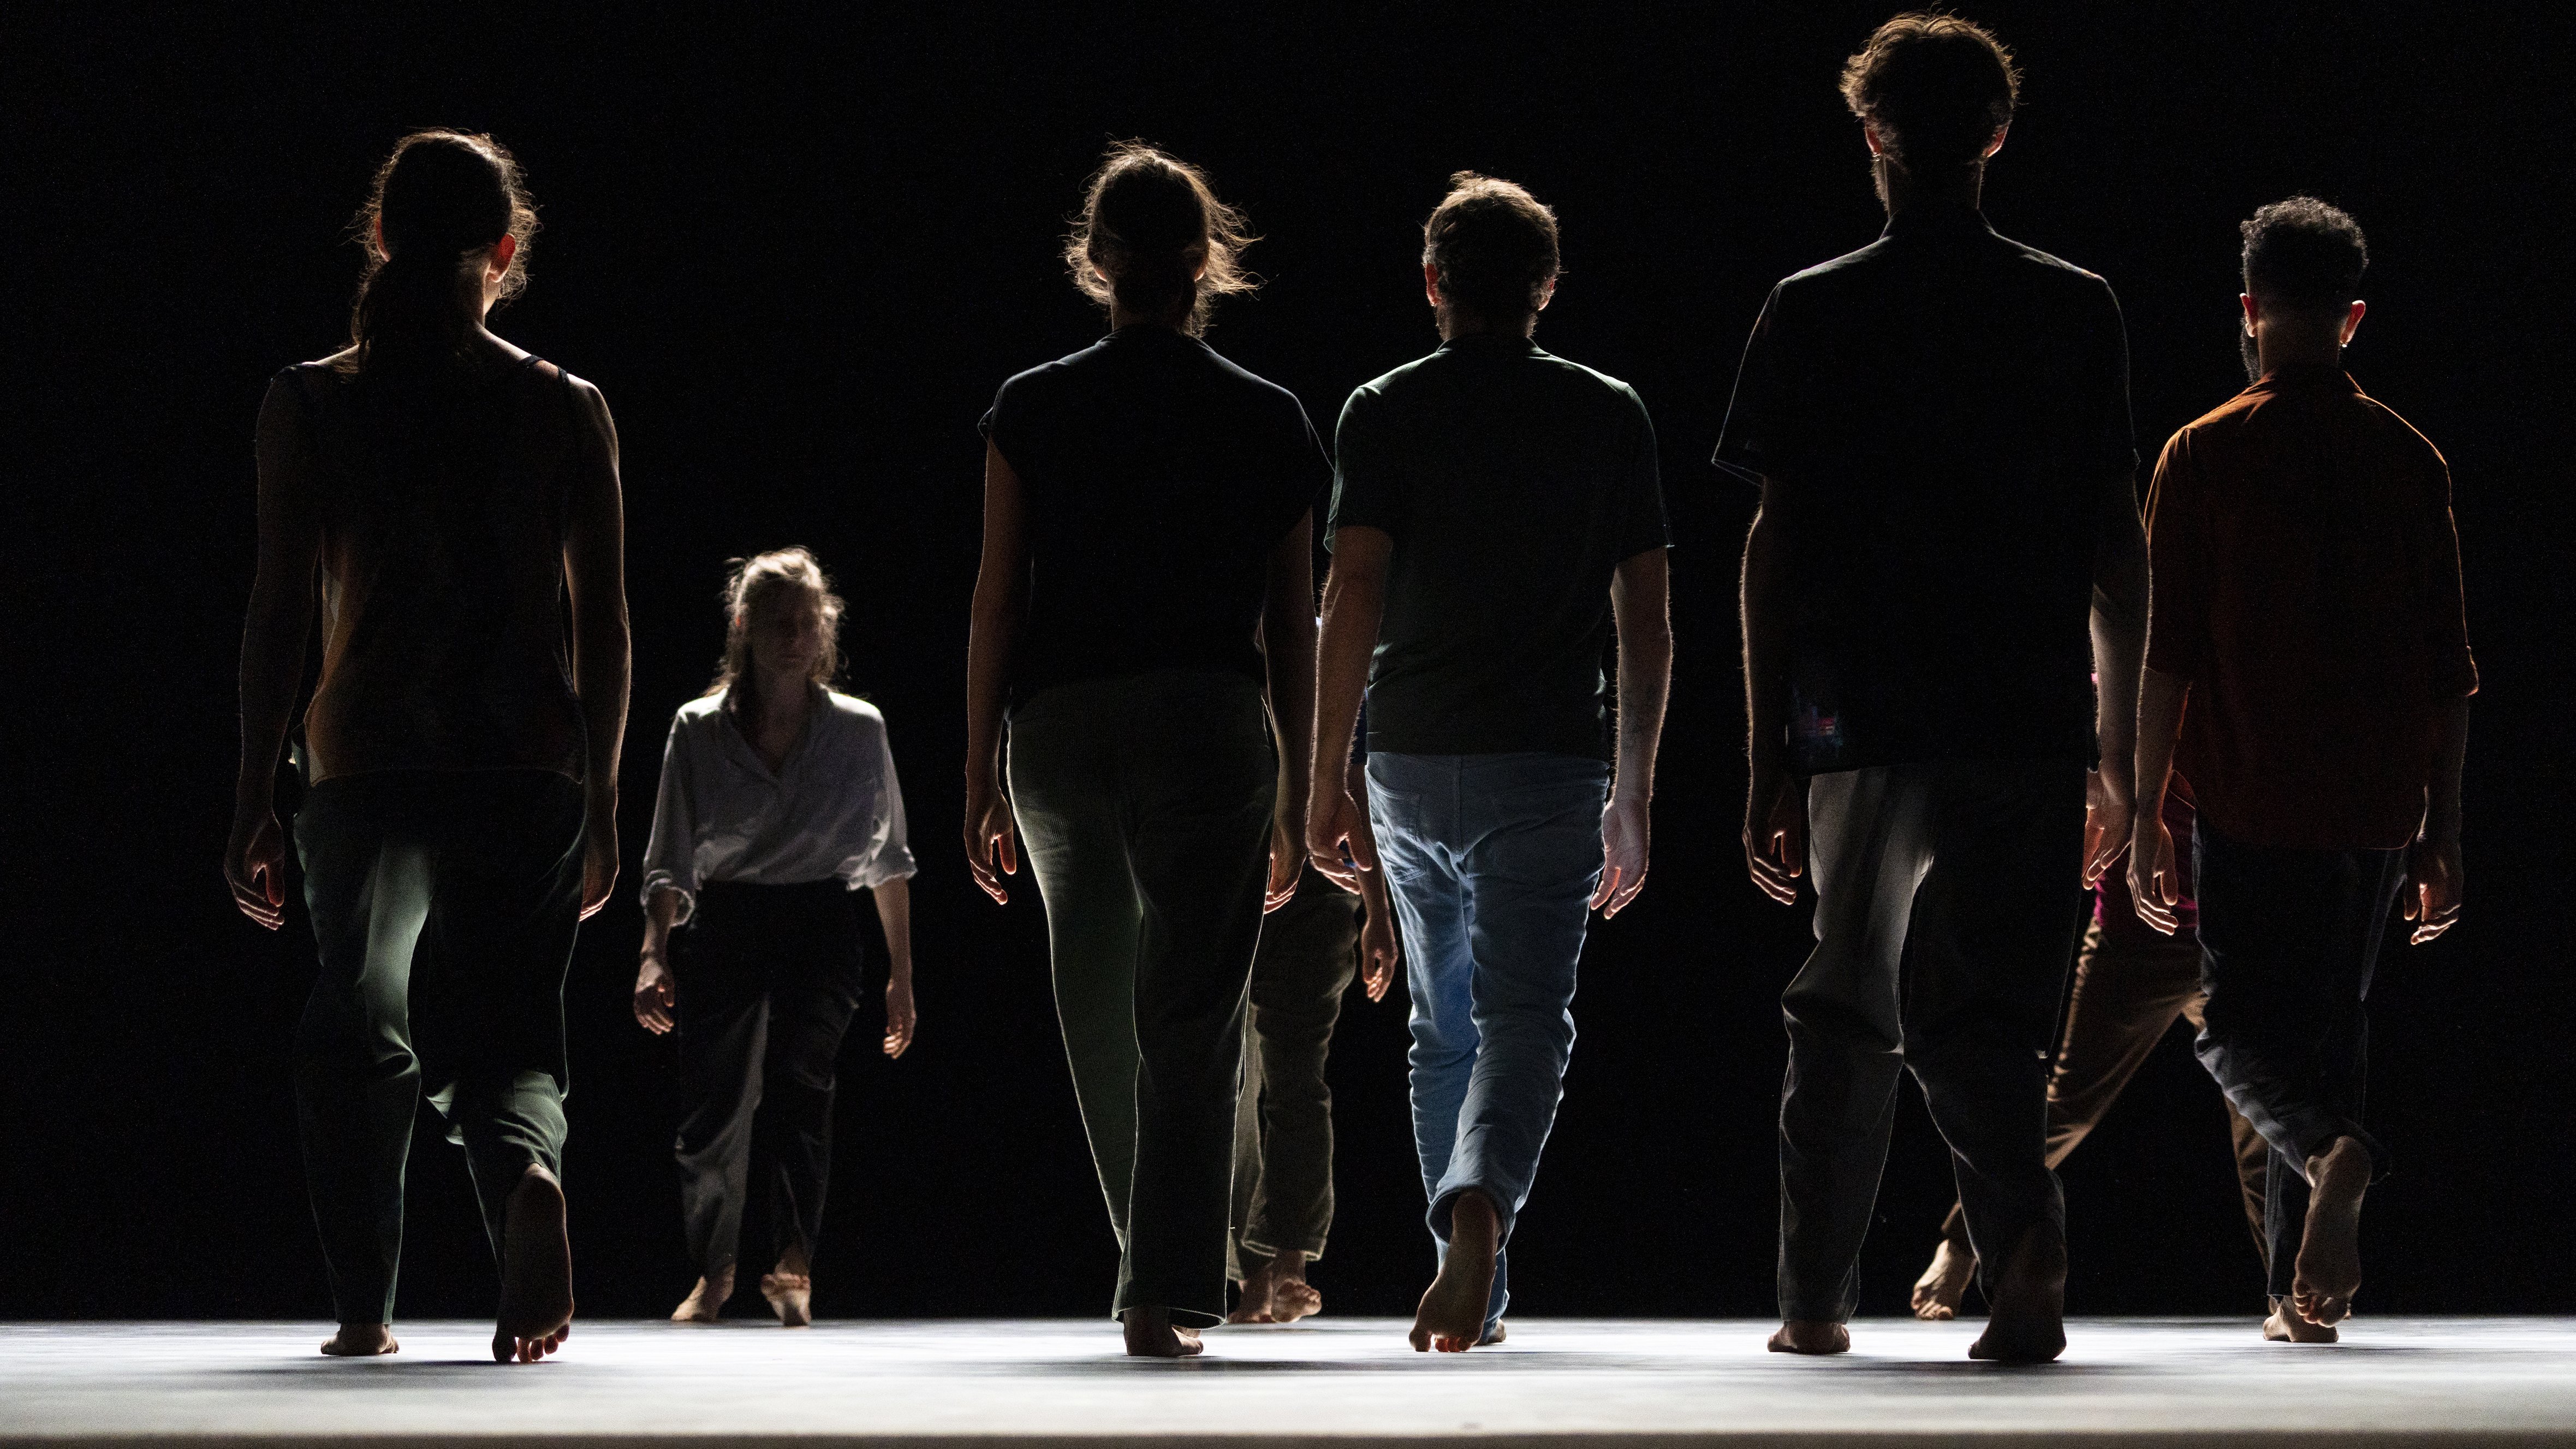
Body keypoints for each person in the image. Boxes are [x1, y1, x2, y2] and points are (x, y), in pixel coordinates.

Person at [1722, 14, 2144, 1363]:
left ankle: (1811, 1303)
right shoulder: (2074, 306)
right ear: (1998, 137)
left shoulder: (1814, 305)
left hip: (1861, 703)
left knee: (1845, 1001)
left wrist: (1765, 755)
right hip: (2021, 706)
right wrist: (2122, 746)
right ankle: (2019, 1229)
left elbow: (1773, 545)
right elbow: (2113, 544)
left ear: (1873, 138)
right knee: (1988, 1011)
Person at [224, 130, 627, 1364]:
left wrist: (252, 793)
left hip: (366, 756)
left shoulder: (308, 403)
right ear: (505, 253)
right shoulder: (567, 406)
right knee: (507, 1034)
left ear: (382, 239)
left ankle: (365, 1307)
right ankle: (519, 1181)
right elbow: (604, 622)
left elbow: (281, 611)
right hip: (523, 760)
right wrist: (605, 799)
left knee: (360, 1027)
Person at [963, 142, 1324, 1357]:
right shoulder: (1267, 416)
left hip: (1062, 728)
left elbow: (996, 604)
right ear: (1202, 263)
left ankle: (1153, 1267)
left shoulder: (1033, 404)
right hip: (1204, 723)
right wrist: (1294, 790)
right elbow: (1288, 623)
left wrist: (975, 773)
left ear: (1096, 262)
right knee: (1190, 1018)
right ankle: (1161, 1282)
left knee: (1099, 1013)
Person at [1308, 173, 1672, 1353]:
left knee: (1439, 1025)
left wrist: (1323, 773)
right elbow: (1647, 619)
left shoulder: (1381, 407)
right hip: (1547, 760)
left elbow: (1351, 592)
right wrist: (1635, 792)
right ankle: (1478, 1223)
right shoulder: (1607, 410)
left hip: (1411, 757)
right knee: (1525, 1017)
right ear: (1545, 290)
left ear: (1432, 286)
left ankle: (1469, 1267)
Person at [2131, 197, 2474, 1344]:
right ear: (2352, 317)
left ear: (2247, 311)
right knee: (2327, 1033)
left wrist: (2139, 809)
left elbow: (2164, 656)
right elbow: (2448, 672)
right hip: (2375, 801)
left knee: (2233, 1028)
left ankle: (2341, 1157)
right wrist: (2444, 831)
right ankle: (2298, 1296)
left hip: (2244, 792)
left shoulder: (2203, 450)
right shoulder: (2407, 456)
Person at [633, 548, 920, 1328]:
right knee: (712, 1109)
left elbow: (888, 856)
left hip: (819, 917)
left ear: (825, 630)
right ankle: (713, 1269)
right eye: (778, 622)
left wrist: (902, 973)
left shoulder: (859, 731)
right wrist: (653, 950)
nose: (794, 637)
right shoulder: (697, 730)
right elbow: (670, 855)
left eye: (807, 622)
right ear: (743, 627)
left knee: (803, 1088)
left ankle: (792, 1263)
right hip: (728, 917)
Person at [1909, 794, 2271, 1321]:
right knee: (2064, 1108)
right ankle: (1963, 1243)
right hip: (2136, 940)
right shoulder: (2126, 715)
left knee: (2264, 1116)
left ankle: (2290, 1285)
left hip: (2235, 940)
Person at [1227, 734, 1400, 1326]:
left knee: (1296, 1075)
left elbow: (1353, 780)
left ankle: (1290, 1260)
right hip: (1234, 882)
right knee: (1234, 1085)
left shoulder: (1331, 658)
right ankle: (1253, 1273)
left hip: (1320, 895)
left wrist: (1378, 909)